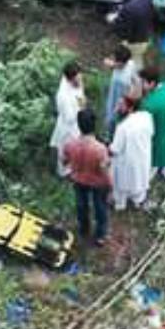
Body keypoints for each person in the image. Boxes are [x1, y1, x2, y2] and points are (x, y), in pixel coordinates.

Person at [62, 109, 111, 246]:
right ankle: (100, 236)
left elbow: (64, 161)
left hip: (79, 179)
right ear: (94, 125)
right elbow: (104, 171)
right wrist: (110, 185)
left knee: (81, 206)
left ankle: (84, 229)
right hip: (97, 182)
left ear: (79, 125)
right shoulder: (100, 149)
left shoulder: (70, 145)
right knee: (100, 208)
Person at [110, 98, 154, 211]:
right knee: (139, 184)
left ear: (130, 108)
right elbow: (152, 133)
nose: (118, 107)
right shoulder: (147, 117)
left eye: (121, 105)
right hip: (143, 161)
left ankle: (120, 205)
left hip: (126, 166)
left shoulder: (123, 127)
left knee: (121, 189)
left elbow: (115, 149)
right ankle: (138, 202)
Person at [50, 61, 86, 177]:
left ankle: (73, 169)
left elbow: (82, 101)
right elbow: (69, 117)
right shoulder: (63, 95)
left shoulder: (76, 86)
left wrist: (81, 100)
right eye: (78, 77)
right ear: (71, 78)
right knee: (65, 152)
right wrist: (80, 109)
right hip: (68, 128)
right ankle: (64, 173)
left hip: (76, 125)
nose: (80, 79)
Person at [107, 0, 155, 68]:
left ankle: (137, 76)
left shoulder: (127, 9)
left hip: (136, 41)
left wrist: (113, 21)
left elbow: (123, 32)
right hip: (147, 33)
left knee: (135, 63)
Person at [103, 44, 140, 135]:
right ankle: (109, 134)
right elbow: (106, 61)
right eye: (117, 62)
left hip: (124, 98)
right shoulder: (115, 65)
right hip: (113, 95)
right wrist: (113, 64)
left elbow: (137, 82)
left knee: (120, 121)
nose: (120, 65)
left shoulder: (131, 66)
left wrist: (130, 96)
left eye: (122, 63)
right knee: (110, 117)